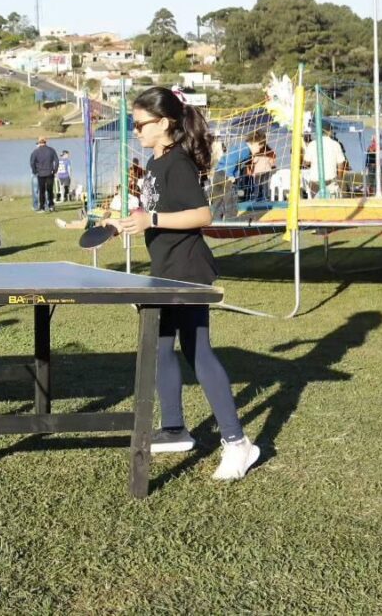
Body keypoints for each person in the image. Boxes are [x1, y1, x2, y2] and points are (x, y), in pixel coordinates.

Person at [110, 86, 259, 481]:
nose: (136, 130)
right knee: (160, 348)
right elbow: (159, 209)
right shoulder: (156, 160)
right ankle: (174, 428)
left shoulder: (177, 163)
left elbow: (202, 214)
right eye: (133, 123)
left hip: (187, 271)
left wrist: (151, 221)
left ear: (165, 123)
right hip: (164, 268)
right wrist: (129, 220)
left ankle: (238, 443)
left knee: (199, 353)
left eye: (140, 124)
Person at [30, 136, 59, 213]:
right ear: (46, 142)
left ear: (39, 142)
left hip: (40, 173)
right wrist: (55, 170)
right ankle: (51, 205)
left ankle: (42, 207)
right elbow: (57, 161)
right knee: (50, 190)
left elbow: (32, 163)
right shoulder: (51, 150)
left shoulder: (35, 152)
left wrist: (35, 171)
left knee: (41, 191)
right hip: (50, 172)